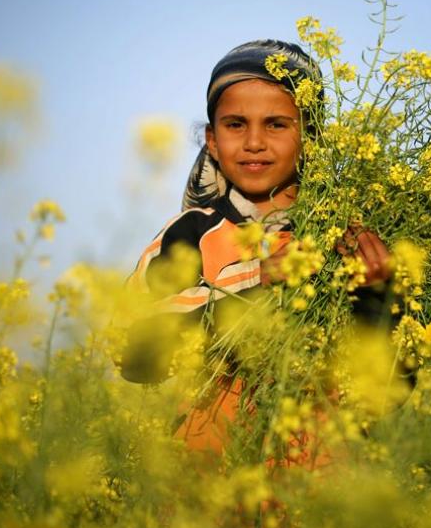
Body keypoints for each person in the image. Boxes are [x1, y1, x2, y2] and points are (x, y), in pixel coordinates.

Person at [119, 39, 391, 456]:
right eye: (235, 124)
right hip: (204, 493)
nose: (254, 142)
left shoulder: (347, 239)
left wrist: (376, 294)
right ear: (211, 140)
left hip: (321, 497)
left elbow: (388, 392)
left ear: (312, 138)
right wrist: (254, 280)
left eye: (277, 124)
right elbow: (130, 352)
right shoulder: (190, 233)